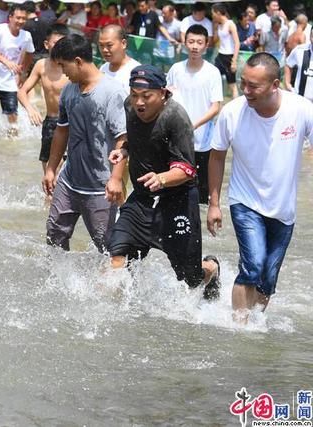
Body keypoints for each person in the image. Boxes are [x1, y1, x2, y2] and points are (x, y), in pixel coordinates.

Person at [208, 53, 313, 322]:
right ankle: (239, 326)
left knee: (267, 279)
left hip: (283, 208)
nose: (245, 91)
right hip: (245, 201)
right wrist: (213, 204)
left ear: (275, 85)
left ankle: (254, 323)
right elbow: (217, 155)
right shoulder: (232, 112)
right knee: (252, 265)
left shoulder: (301, 109)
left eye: (253, 86)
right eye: (243, 83)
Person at [107, 65, 221, 300]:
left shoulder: (176, 118)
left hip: (176, 201)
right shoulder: (130, 106)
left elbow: (188, 169)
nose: (139, 102)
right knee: (118, 255)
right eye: (135, 95)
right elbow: (136, 138)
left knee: (190, 279)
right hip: (141, 199)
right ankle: (118, 312)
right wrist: (125, 151)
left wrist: (162, 178)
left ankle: (211, 269)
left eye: (146, 96)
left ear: (163, 93)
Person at [42, 34, 127, 253]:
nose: (62, 72)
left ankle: (124, 286)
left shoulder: (112, 92)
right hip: (69, 180)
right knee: (54, 236)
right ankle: (59, 283)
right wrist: (52, 168)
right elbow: (62, 130)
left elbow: (123, 139)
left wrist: (116, 179)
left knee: (108, 247)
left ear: (78, 61)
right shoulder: (69, 90)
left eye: (64, 66)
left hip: (101, 185)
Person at [167, 24, 223, 205]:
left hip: (203, 143)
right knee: (175, 190)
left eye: (199, 42)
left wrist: (194, 125)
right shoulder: (176, 69)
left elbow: (216, 107)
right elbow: (166, 98)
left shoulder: (212, 72)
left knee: (201, 196)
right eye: (191, 41)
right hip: (176, 139)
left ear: (206, 45)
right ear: (184, 43)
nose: (195, 46)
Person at [17, 23, 69, 172]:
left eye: (63, 43)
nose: (60, 47)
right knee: (47, 170)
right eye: (55, 43)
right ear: (47, 44)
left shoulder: (71, 66)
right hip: (50, 122)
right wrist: (30, 109)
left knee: (61, 171)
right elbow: (22, 91)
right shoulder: (41, 65)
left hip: (70, 123)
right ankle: (47, 195)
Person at [0, 3, 34, 131]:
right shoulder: (0, 29)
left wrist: (22, 70)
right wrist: (6, 62)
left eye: (24, 18)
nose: (20, 21)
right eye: (18, 17)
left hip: (9, 83)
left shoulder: (26, 36)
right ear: (10, 17)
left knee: (13, 119)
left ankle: (12, 147)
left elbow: (30, 53)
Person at [98, 24, 141, 93]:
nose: (104, 50)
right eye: (101, 45)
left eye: (109, 45)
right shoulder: (103, 68)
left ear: (123, 43)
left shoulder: (136, 71)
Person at [212, 3, 240, 98]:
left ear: (218, 13)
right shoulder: (219, 25)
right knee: (213, 76)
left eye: (213, 13)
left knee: (232, 83)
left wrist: (234, 61)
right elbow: (215, 40)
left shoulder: (230, 24)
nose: (212, 16)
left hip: (229, 56)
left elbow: (237, 43)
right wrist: (215, 29)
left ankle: (235, 103)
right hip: (220, 55)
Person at [284, 27, 313, 100]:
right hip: (300, 100)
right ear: (310, 36)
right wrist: (287, 84)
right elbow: (288, 65)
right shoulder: (300, 50)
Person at [152, 4, 181, 70]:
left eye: (165, 13)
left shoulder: (178, 25)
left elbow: (178, 39)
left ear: (171, 13)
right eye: (162, 13)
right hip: (157, 53)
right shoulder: (159, 20)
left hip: (169, 55)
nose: (163, 15)